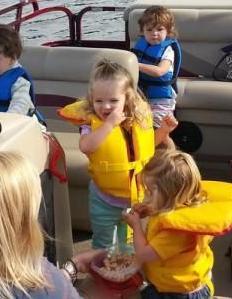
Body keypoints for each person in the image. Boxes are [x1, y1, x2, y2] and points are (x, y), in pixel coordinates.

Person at [57, 59, 176, 249]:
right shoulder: (93, 124)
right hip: (104, 200)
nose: (106, 107)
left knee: (128, 241)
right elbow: (86, 147)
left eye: (113, 101)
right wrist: (108, 125)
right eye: (99, 101)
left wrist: (164, 131)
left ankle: (124, 268)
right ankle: (103, 272)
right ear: (91, 100)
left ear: (127, 99)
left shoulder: (137, 120)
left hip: (136, 199)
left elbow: (147, 148)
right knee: (103, 243)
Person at [0, 151, 104, 299]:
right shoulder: (46, 285)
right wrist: (97, 290)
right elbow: (47, 290)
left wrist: (73, 266)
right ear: (25, 222)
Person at [123, 150, 232, 299]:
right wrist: (149, 209)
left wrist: (136, 225)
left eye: (149, 191)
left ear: (165, 195)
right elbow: (167, 208)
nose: (146, 195)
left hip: (178, 293)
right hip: (189, 282)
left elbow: (143, 254)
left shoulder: (175, 232)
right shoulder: (184, 203)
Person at [131, 6, 181, 150]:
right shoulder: (141, 45)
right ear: (142, 31)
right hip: (141, 97)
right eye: (149, 30)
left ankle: (172, 159)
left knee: (162, 133)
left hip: (161, 100)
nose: (154, 34)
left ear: (168, 31)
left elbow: (160, 71)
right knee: (142, 130)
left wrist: (135, 64)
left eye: (159, 30)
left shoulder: (168, 50)